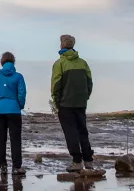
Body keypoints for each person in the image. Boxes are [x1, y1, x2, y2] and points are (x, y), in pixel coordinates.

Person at [50, 34, 95, 172]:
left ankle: (77, 161)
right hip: (80, 103)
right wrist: (85, 97)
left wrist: (56, 102)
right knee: (83, 131)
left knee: (71, 133)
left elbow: (56, 85)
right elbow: (89, 82)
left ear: (62, 45)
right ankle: (88, 161)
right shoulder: (83, 63)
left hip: (65, 104)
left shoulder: (59, 63)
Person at [0, 51, 27, 175]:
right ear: (13, 62)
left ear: (2, 62)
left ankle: (2, 165)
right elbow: (22, 94)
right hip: (14, 110)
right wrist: (19, 105)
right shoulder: (18, 76)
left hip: (0, 111)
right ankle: (16, 167)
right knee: (15, 139)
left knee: (1, 138)